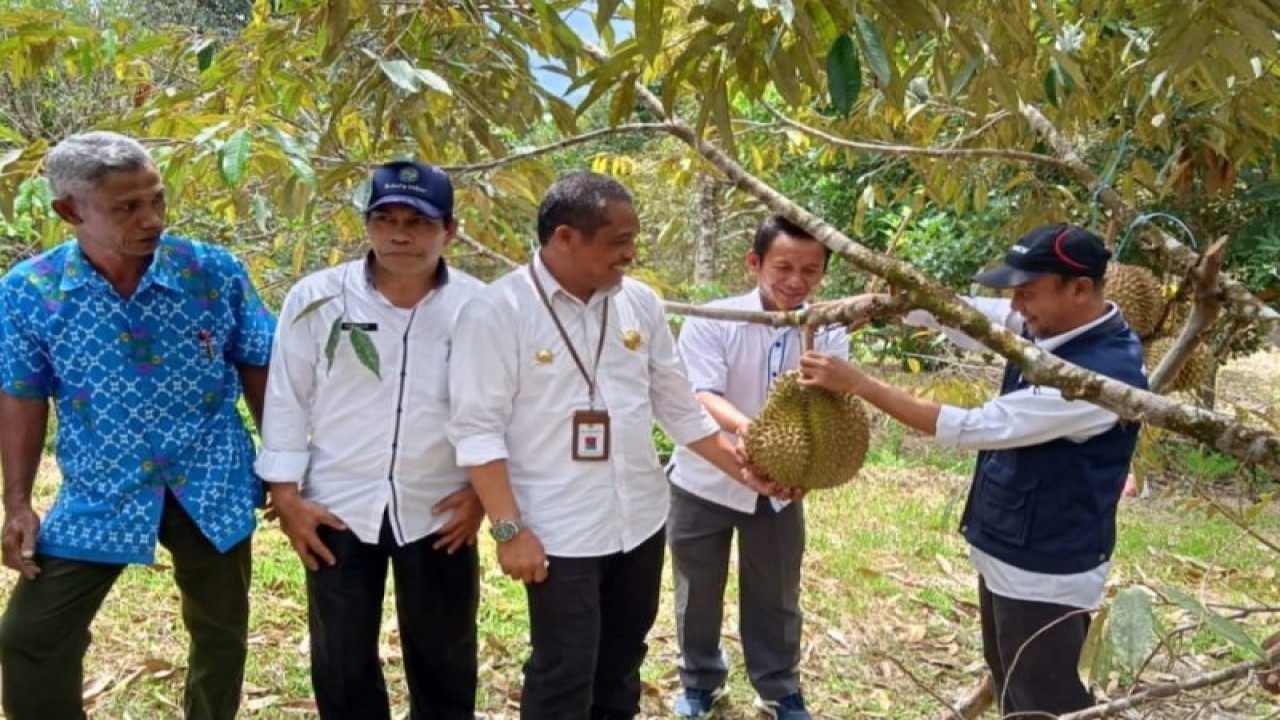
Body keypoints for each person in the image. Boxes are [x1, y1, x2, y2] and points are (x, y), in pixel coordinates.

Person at [446, 172, 787, 720]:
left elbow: (678, 405)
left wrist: (745, 472)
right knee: (563, 670)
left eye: (633, 239)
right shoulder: (498, 311)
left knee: (622, 665)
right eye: (618, 241)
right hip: (560, 531)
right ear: (565, 238)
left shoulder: (640, 304)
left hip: (641, 522)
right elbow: (477, 430)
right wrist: (509, 530)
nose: (631, 253)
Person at [798, 224, 1148, 716]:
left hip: (1045, 570)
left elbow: (974, 427)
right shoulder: (1050, 324)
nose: (1017, 306)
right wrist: (895, 304)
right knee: (1012, 682)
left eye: (1027, 293)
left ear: (1081, 289)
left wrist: (861, 384)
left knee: (1044, 703)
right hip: (1009, 550)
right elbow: (977, 318)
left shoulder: (1101, 380)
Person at [0, 130, 275, 720]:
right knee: (31, 633)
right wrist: (17, 504)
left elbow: (259, 361)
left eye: (157, 200)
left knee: (219, 631)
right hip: (103, 486)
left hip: (210, 476)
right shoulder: (32, 291)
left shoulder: (212, 272)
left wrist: (281, 466)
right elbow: (22, 394)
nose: (150, 219)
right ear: (70, 211)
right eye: (127, 207)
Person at [255, 160, 484, 719]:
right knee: (341, 658)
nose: (400, 234)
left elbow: (506, 409)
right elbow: (288, 395)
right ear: (368, 224)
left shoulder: (482, 307)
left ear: (450, 231)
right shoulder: (316, 299)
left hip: (441, 508)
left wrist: (483, 497)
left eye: (419, 221)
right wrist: (286, 497)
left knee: (445, 655)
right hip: (338, 505)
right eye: (386, 218)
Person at [668, 215, 846, 720]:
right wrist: (756, 435)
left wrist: (804, 466)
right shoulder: (714, 319)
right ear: (754, 263)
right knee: (697, 590)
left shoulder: (827, 328)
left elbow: (829, 408)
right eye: (783, 266)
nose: (795, 281)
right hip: (706, 476)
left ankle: (779, 686)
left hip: (781, 488)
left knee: (777, 593)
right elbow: (701, 393)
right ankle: (700, 681)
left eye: (810, 271)